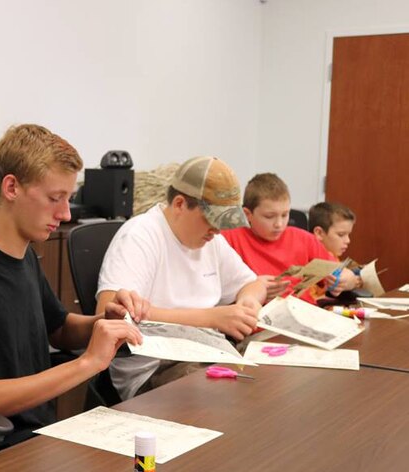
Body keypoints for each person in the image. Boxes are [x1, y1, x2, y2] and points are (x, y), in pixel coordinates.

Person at [0, 123, 149, 443]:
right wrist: (87, 363)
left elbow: (58, 329)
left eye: (68, 199)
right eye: (55, 198)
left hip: (40, 437)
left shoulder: (27, 259)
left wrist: (104, 322)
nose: (65, 214)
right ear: (11, 188)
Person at [96, 156, 267, 400]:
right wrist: (210, 318)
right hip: (155, 367)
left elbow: (252, 284)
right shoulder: (140, 237)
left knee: (268, 373)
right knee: (227, 398)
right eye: (211, 219)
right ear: (179, 204)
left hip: (208, 352)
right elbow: (110, 313)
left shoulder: (212, 241)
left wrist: (248, 301)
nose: (217, 231)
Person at [222, 173, 359, 300]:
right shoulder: (227, 240)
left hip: (304, 315)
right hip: (258, 317)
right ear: (247, 214)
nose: (279, 224)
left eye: (285, 214)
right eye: (269, 216)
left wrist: (347, 280)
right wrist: (250, 289)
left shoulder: (305, 239)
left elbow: (340, 272)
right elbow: (214, 290)